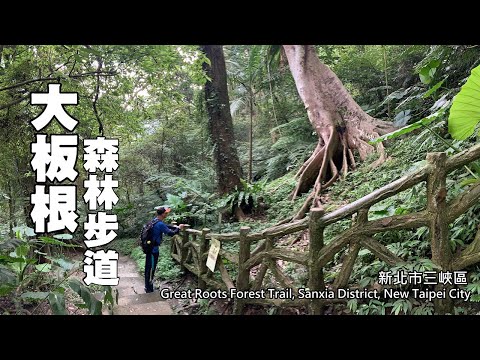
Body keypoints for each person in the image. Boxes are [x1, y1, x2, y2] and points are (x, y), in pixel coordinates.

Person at [144, 206, 184, 293]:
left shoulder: (154, 221)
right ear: (163, 214)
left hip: (149, 248)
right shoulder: (160, 224)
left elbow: (166, 226)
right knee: (151, 268)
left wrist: (175, 226)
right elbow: (171, 233)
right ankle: (149, 289)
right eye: (166, 213)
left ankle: (148, 286)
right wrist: (178, 228)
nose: (167, 214)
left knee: (148, 267)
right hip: (153, 250)